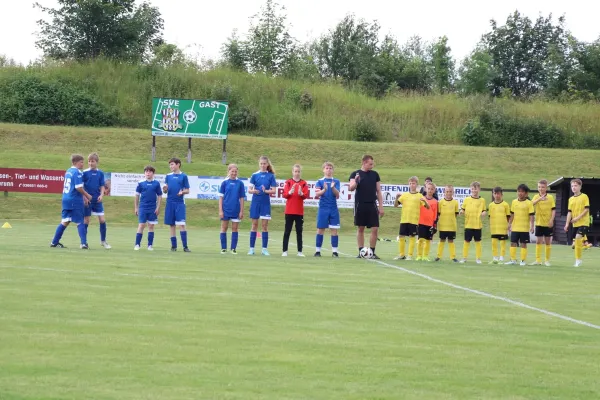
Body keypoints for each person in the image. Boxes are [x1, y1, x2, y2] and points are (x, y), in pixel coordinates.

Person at [50, 154, 92, 249]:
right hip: (74, 200)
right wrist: (87, 195)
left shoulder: (68, 171)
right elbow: (78, 187)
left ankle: (54, 242)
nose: (83, 164)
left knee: (65, 221)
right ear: (75, 163)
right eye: (81, 162)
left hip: (65, 199)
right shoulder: (76, 172)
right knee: (80, 221)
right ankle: (83, 243)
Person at [349, 155, 384, 259]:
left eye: (372, 164)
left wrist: (381, 206)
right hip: (360, 204)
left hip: (372, 204)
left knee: (375, 228)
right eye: (370, 164)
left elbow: (378, 191)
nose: (372, 166)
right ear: (364, 163)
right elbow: (351, 188)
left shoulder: (375, 175)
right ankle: (361, 252)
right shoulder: (355, 174)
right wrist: (356, 181)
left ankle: (372, 252)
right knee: (361, 228)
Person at [248, 156, 277, 256]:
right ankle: (251, 249)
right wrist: (254, 191)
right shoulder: (254, 175)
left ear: (267, 164)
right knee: (254, 225)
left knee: (264, 226)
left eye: (264, 164)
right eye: (261, 163)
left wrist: (265, 191)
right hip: (256, 202)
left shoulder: (271, 176)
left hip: (265, 203)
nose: (263, 165)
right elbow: (249, 190)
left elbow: (273, 190)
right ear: (259, 164)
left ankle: (264, 249)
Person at [394, 176, 428, 260]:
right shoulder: (405, 195)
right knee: (401, 236)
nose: (412, 185)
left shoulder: (420, 195)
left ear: (416, 184)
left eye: (413, 183)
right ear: (408, 184)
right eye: (410, 183)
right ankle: (401, 254)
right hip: (404, 219)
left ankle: (409, 255)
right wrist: (396, 198)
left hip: (414, 220)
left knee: (412, 237)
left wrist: (425, 201)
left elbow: (427, 207)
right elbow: (396, 205)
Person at [83, 152, 110, 249]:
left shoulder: (100, 173)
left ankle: (103, 241)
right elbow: (81, 186)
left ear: (97, 162)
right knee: (86, 220)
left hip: (97, 200)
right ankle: (84, 242)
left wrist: (102, 195)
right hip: (87, 200)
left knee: (102, 220)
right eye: (89, 161)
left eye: (92, 161)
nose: (90, 163)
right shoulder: (84, 173)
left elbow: (102, 186)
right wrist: (84, 197)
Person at [162, 157, 191, 252]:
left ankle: (185, 246)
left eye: (172, 164)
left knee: (182, 224)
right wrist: (165, 189)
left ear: (178, 164)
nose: (171, 166)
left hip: (179, 203)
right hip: (170, 203)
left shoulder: (184, 176)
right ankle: (173, 246)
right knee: (172, 225)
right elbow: (165, 191)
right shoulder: (168, 176)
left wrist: (182, 192)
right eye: (170, 165)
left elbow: (187, 190)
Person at [314, 162, 341, 257]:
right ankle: (317, 251)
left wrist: (333, 188)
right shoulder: (320, 181)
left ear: (333, 170)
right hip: (323, 208)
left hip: (333, 208)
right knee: (320, 229)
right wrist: (324, 190)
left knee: (334, 229)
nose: (329, 170)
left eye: (330, 168)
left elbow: (337, 194)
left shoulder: (336, 181)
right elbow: (317, 194)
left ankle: (334, 252)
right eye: (327, 168)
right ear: (323, 170)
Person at [282, 164, 309, 257]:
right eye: (295, 171)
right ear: (292, 172)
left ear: (300, 172)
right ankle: (284, 251)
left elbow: (305, 196)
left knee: (299, 231)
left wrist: (301, 193)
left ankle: (300, 251)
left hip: (299, 212)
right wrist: (290, 192)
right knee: (287, 231)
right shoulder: (288, 182)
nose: (297, 173)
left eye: (298, 171)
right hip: (289, 211)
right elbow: (285, 194)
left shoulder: (304, 183)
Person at [218, 164, 246, 254]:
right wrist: (220, 210)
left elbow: (242, 198)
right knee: (224, 228)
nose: (234, 173)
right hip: (225, 209)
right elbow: (221, 198)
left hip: (236, 209)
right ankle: (223, 248)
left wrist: (241, 211)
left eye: (235, 171)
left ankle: (233, 249)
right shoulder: (224, 183)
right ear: (229, 171)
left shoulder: (240, 183)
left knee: (235, 228)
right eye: (232, 171)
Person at [134, 165, 163, 251]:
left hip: (152, 208)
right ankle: (137, 244)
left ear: (153, 173)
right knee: (141, 225)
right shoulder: (140, 183)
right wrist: (136, 208)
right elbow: (136, 196)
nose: (148, 173)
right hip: (143, 207)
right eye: (146, 171)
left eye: (150, 171)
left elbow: (160, 196)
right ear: (144, 173)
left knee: (151, 226)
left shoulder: (156, 183)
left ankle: (150, 245)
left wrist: (158, 207)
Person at [506, 184, 535, 266]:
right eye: (518, 191)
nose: (520, 193)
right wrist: (509, 224)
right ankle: (512, 260)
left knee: (523, 244)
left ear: (526, 193)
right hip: (515, 227)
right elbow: (512, 214)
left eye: (522, 191)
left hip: (524, 228)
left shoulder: (529, 203)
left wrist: (532, 226)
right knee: (512, 243)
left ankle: (523, 260)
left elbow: (531, 215)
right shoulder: (514, 202)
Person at [564, 179, 590, 267]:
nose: (573, 187)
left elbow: (586, 209)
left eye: (575, 186)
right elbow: (569, 212)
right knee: (575, 243)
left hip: (584, 222)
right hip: (575, 224)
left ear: (580, 186)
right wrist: (567, 224)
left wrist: (577, 218)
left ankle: (578, 261)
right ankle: (578, 259)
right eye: (572, 186)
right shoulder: (571, 199)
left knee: (578, 238)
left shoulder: (584, 196)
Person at [459, 181, 486, 264]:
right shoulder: (467, 199)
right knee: (466, 241)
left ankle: (478, 258)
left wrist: (484, 213)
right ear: (471, 189)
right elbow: (462, 209)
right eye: (473, 189)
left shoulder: (482, 200)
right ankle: (464, 258)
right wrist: (461, 211)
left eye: (476, 189)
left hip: (477, 225)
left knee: (478, 242)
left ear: (479, 189)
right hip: (468, 225)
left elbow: (484, 210)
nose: (474, 191)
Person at [531, 179, 556, 266]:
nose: (541, 189)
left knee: (548, 242)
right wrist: (540, 199)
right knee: (538, 242)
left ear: (546, 188)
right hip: (538, 223)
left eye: (542, 187)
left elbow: (553, 210)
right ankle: (538, 260)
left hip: (548, 223)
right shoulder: (535, 197)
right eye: (539, 187)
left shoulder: (550, 197)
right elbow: (530, 204)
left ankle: (547, 260)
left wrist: (551, 220)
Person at [435, 185, 459, 262]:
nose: (449, 193)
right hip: (442, 226)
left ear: (453, 193)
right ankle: (438, 256)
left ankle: (453, 257)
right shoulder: (441, 202)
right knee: (442, 240)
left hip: (451, 226)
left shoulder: (455, 202)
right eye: (447, 191)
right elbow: (438, 214)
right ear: (444, 192)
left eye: (450, 191)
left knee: (451, 241)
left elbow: (456, 214)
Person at [487, 187, 511, 264]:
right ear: (493, 194)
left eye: (498, 194)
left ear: (501, 195)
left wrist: (508, 225)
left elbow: (508, 216)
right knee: (494, 243)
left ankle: (501, 259)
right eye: (495, 193)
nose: (497, 195)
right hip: (494, 227)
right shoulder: (490, 205)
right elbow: (490, 216)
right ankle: (495, 258)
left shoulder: (505, 204)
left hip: (503, 227)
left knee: (502, 243)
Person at [416, 182, 438, 261]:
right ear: (425, 189)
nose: (430, 190)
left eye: (432, 189)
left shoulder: (435, 202)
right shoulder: (421, 198)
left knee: (428, 240)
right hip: (421, 222)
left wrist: (434, 224)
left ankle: (425, 256)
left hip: (430, 223)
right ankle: (419, 255)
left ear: (434, 190)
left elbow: (435, 214)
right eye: (428, 189)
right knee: (420, 239)